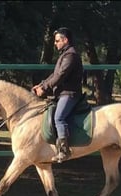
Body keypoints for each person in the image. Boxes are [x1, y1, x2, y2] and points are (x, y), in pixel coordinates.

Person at [32, 27, 83, 163]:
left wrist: (45, 88)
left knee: (59, 118)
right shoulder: (65, 55)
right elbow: (54, 75)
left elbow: (60, 76)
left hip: (69, 94)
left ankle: (64, 151)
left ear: (65, 40)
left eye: (57, 41)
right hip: (63, 94)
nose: (55, 43)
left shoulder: (71, 56)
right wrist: (42, 85)